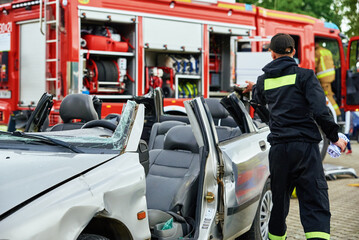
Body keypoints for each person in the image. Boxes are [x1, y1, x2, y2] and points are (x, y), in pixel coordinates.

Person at [243, 33, 347, 240]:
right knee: (314, 201)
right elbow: (320, 111)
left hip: (279, 151)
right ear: (293, 51)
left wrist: (252, 89)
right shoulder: (306, 76)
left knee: (278, 204)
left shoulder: (263, 81)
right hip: (305, 149)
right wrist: (335, 137)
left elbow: (259, 103)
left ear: (271, 53)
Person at [315, 42, 341, 118]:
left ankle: (337, 114)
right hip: (331, 76)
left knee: (328, 96)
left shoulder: (317, 52)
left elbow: (314, 64)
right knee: (329, 94)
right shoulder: (327, 51)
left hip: (323, 78)